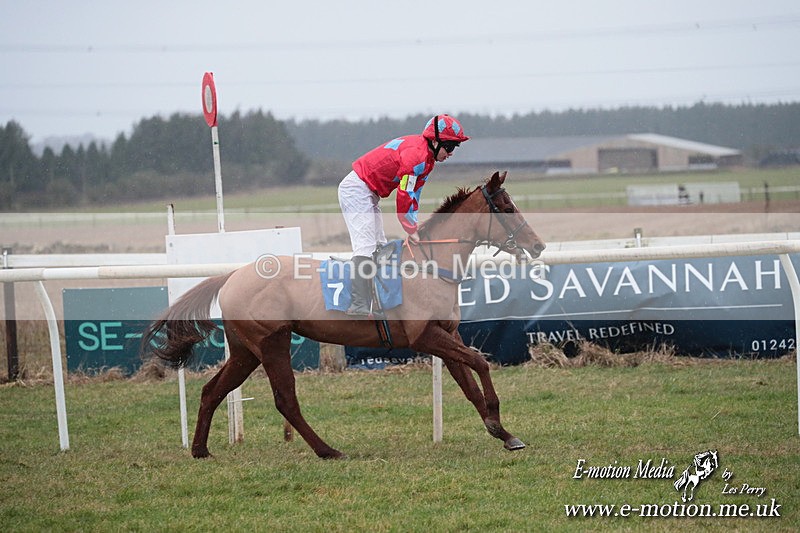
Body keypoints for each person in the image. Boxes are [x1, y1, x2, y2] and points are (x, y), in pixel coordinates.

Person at [337, 114, 469, 316]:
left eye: (455, 148)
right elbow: (405, 195)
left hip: (368, 192)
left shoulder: (427, 159)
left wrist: (414, 226)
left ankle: (376, 301)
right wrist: (410, 228)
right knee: (366, 245)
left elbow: (415, 194)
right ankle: (359, 305)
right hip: (356, 190)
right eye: (449, 146)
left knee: (380, 245)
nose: (451, 153)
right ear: (435, 141)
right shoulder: (416, 156)